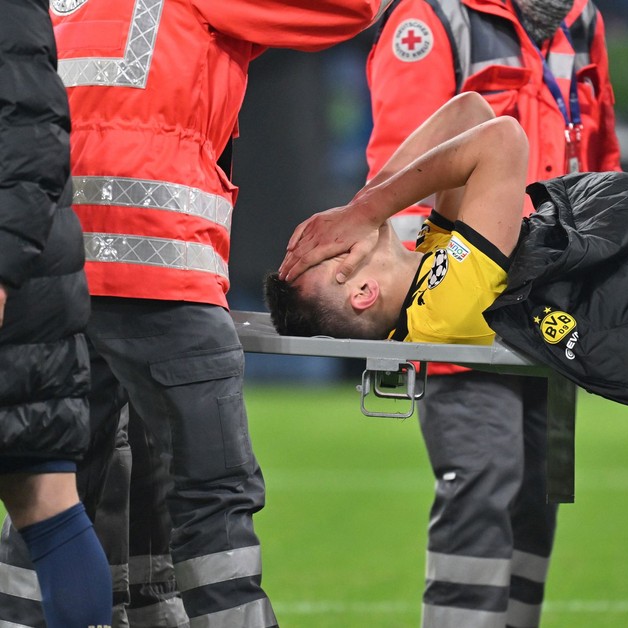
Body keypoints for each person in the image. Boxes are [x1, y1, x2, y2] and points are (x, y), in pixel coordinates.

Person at [0, 2, 395, 627]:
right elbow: (350, 9)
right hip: (160, 266)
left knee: (48, 507)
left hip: (54, 277)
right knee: (214, 506)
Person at [273, 90, 628, 437]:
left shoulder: (426, 261)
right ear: (362, 293)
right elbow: (501, 140)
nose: (333, 237)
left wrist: (357, 207)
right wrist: (368, 210)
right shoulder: (438, 310)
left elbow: (468, 109)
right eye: (332, 250)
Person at [363, 0, 619, 623]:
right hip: (465, 319)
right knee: (484, 481)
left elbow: (602, 159)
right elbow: (399, 177)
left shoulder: (581, 19)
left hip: (553, 313)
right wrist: (420, 320)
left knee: (538, 496)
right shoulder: (433, 18)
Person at [0, 0, 112, 626]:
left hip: (20, 285)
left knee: (46, 500)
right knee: (46, 500)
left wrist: (3, 265)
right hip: (29, 277)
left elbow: (28, 135)